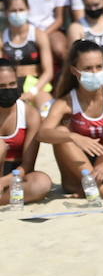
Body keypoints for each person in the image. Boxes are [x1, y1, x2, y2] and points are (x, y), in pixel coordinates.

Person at [39, 40, 103, 199]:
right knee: (61, 133)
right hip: (79, 177)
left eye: (99, 67)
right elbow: (42, 134)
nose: (94, 72)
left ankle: (96, 186)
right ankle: (100, 189)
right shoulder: (65, 102)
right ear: (74, 71)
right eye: (88, 68)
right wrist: (74, 136)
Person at [0, 58, 53, 205]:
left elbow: (28, 164)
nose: (8, 90)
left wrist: (4, 181)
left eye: (12, 84)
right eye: (2, 86)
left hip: (15, 175)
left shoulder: (29, 114)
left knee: (42, 182)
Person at [2, 0, 53, 109]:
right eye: (13, 11)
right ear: (6, 12)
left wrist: (32, 92)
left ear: (28, 9)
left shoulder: (39, 35)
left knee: (45, 110)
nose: (17, 13)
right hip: (10, 87)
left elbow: (48, 72)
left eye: (21, 10)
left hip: (37, 86)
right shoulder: (2, 37)